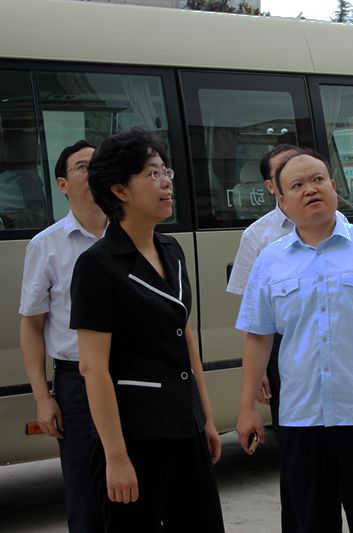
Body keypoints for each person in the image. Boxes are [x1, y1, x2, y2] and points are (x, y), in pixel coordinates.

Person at [235, 149, 353, 533]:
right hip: (301, 418)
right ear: (282, 200)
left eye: (318, 180)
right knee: (310, 523)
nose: (310, 189)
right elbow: (257, 336)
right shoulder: (269, 260)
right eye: (297, 185)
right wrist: (247, 407)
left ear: (335, 186)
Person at [69, 128, 224, 532]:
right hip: (135, 435)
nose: (166, 181)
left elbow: (185, 336)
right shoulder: (97, 264)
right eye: (152, 174)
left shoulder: (171, 250)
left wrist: (206, 418)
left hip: (185, 425)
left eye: (165, 171)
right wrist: (116, 457)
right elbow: (93, 368)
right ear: (120, 189)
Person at [227, 144, 346, 533]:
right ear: (272, 186)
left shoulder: (342, 226)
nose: (305, 183)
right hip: (284, 348)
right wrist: (258, 370)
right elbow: (251, 312)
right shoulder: (258, 236)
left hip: (337, 347)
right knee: (297, 454)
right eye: (290, 175)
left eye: (313, 175)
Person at [19, 140, 106, 533]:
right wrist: (43, 398)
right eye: (82, 167)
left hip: (131, 375)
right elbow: (32, 324)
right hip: (78, 382)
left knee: (139, 485)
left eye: (98, 164)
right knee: (85, 492)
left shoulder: (130, 234)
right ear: (62, 184)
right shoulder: (46, 246)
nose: (93, 172)